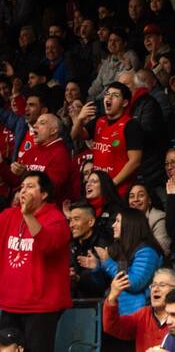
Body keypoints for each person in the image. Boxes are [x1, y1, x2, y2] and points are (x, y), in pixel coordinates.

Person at [0, 172, 71, 352]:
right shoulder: (8, 216)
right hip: (10, 303)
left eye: (30, 186)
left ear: (44, 194)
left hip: (41, 308)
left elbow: (47, 245)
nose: (23, 190)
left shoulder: (57, 219)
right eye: (22, 186)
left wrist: (28, 215)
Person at [72, 81, 144, 197]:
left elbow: (135, 161)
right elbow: (75, 135)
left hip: (119, 191)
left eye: (115, 95)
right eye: (107, 94)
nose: (109, 97)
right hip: (99, 189)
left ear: (124, 103)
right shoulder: (100, 121)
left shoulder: (131, 125)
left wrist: (112, 183)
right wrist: (79, 119)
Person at [103, 267, 175, 352]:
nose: (155, 289)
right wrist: (112, 297)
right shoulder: (143, 314)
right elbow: (112, 326)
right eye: (153, 285)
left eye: (162, 285)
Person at [0, 113, 73, 206]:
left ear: (53, 130)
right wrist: (1, 163)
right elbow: (15, 182)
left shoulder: (61, 154)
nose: (35, 125)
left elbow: (51, 189)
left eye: (42, 123)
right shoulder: (32, 151)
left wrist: (25, 173)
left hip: (45, 212)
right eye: (36, 122)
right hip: (26, 207)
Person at [68, 200, 112, 298]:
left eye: (76, 219)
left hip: (99, 304)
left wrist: (78, 278)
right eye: (70, 220)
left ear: (91, 222)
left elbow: (105, 282)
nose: (71, 225)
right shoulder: (70, 245)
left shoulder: (104, 245)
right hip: (73, 304)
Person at [128, 183, 171, 255]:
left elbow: (161, 250)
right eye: (132, 196)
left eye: (141, 195)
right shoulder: (125, 219)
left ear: (149, 200)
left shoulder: (158, 218)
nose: (135, 199)